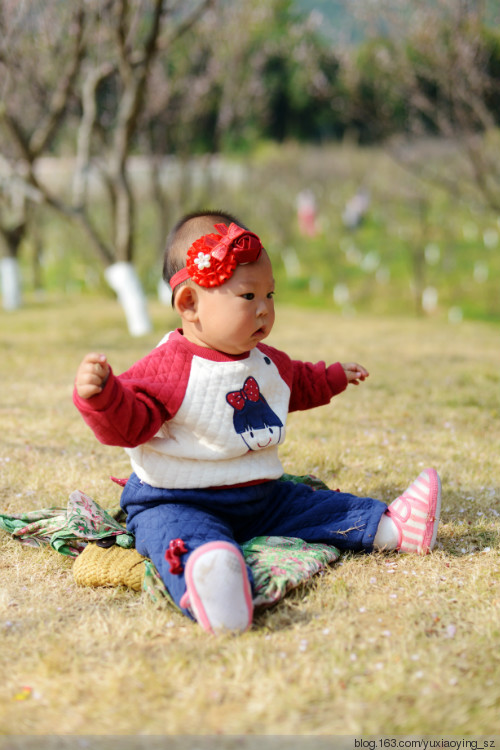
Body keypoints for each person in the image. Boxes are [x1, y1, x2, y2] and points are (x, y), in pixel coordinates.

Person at [74, 210, 441, 635]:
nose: (265, 310)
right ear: (190, 303)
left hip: (260, 497)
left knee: (312, 506)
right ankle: (211, 581)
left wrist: (334, 376)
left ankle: (393, 528)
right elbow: (130, 423)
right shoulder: (169, 367)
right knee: (174, 535)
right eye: (249, 297)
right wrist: (102, 398)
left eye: (271, 296)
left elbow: (298, 383)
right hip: (176, 497)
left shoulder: (265, 361)